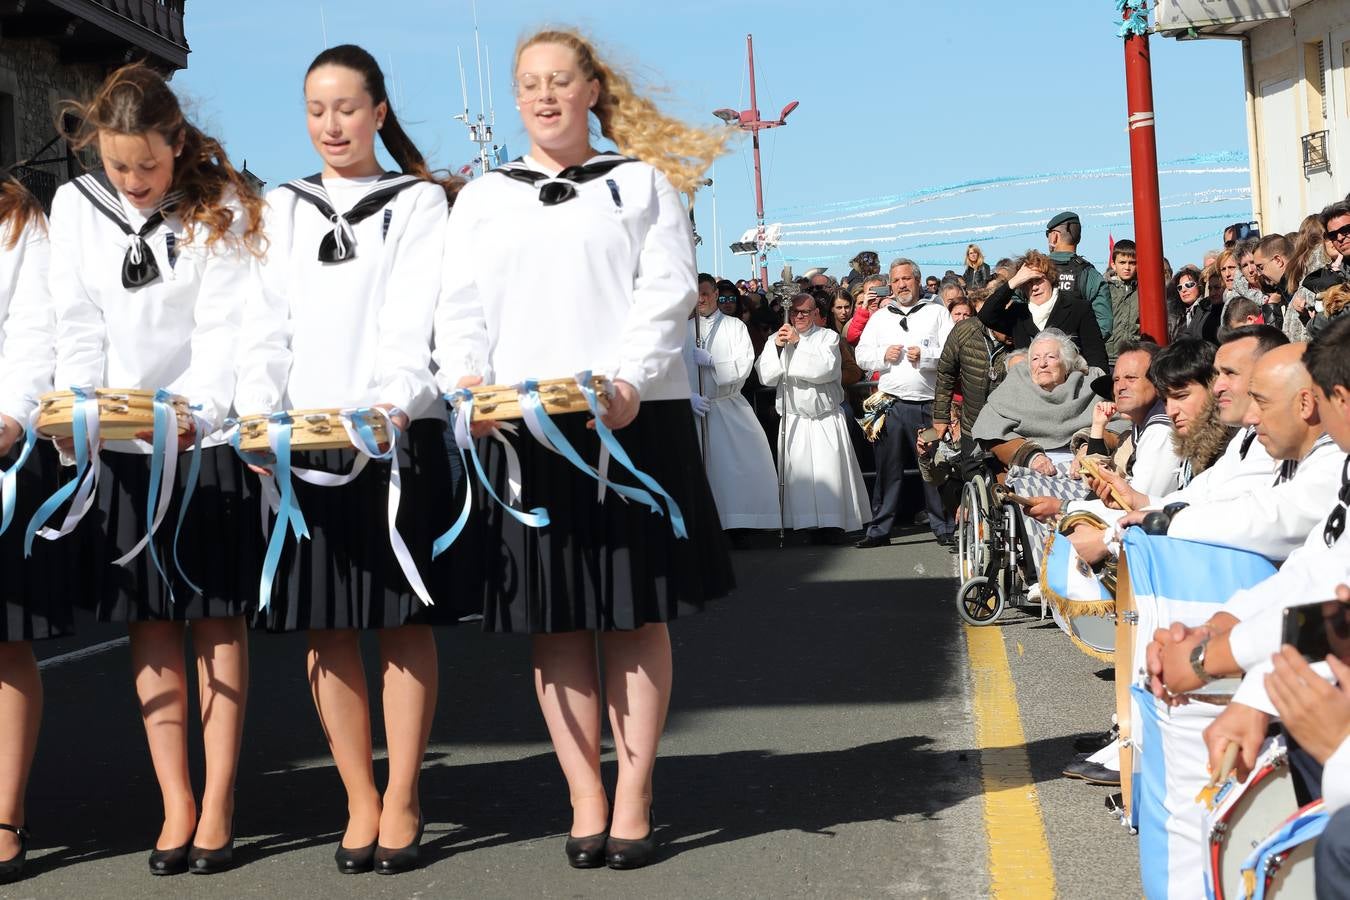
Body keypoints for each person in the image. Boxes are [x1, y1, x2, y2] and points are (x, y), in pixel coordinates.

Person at [433, 27, 734, 871]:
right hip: (525, 428)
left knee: (636, 617)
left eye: (560, 80)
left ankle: (635, 794)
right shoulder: (484, 196)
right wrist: (467, 387)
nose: (544, 96)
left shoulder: (641, 185)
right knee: (556, 623)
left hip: (631, 422)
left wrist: (628, 380)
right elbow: (459, 306)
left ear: (592, 89)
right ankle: (585, 796)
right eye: (529, 83)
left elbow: (667, 291)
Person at [234, 44, 466, 875]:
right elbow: (265, 327)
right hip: (302, 444)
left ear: (377, 112)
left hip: (392, 437)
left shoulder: (418, 204)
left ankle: (402, 793)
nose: (330, 125)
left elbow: (416, 326)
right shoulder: (281, 205)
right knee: (324, 626)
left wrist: (389, 406)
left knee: (401, 623)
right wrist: (259, 416)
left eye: (345, 108)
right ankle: (357, 800)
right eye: (315, 110)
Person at [47, 64, 266, 876]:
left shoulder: (223, 206)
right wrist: (81, 411)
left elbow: (227, 330)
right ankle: (175, 797)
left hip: (199, 439)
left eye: (147, 166)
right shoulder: (76, 208)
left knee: (213, 619)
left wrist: (198, 409)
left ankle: (219, 801)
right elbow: (76, 322)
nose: (134, 183)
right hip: (122, 444)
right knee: (150, 621)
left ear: (178, 144)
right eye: (117, 167)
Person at [0, 180, 63, 887]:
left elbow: (32, 331)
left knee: (4, 642)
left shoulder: (17, 219)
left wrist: (13, 416)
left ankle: (5, 816)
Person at [854, 258, 954, 548]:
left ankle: (943, 526)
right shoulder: (880, 317)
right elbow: (861, 355)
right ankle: (879, 530)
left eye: (907, 279)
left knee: (935, 467)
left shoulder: (937, 312)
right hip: (891, 406)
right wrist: (884, 355)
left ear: (918, 281)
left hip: (929, 405)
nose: (901, 285)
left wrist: (925, 357)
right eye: (896, 280)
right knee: (888, 470)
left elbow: (950, 352)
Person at [755, 292, 869, 536]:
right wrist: (777, 348)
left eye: (804, 312)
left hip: (824, 418)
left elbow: (824, 370)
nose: (798, 317)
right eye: (794, 312)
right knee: (801, 477)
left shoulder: (827, 337)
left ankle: (833, 525)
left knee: (829, 475)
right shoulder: (777, 339)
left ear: (815, 313)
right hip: (796, 418)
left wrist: (798, 343)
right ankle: (806, 525)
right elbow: (766, 376)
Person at [686, 273, 781, 531]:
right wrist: (686, 396)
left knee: (734, 470)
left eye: (705, 293)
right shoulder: (682, 330)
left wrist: (714, 363)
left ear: (716, 294)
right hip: (694, 409)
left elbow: (743, 364)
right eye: (696, 294)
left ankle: (737, 524)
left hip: (726, 405)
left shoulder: (735, 327)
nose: (701, 299)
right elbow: (669, 370)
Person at [976, 249, 1109, 373]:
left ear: (1050, 278)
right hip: (1029, 392)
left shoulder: (1078, 309)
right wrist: (1013, 282)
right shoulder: (1018, 314)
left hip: (1071, 391)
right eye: (1027, 282)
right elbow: (986, 315)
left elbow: (1096, 357)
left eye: (1038, 280)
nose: (1034, 287)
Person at [1045, 211, 1112, 340]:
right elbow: (1104, 325)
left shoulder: (1034, 269)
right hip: (1077, 356)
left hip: (1037, 355)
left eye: (1048, 234)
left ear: (1054, 236)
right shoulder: (1090, 275)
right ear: (1078, 238)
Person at [1104, 239, 1140, 363]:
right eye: (1122, 262)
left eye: (1132, 263)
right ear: (1113, 264)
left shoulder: (1142, 290)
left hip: (1135, 354)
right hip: (1108, 356)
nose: (1127, 267)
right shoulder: (1104, 289)